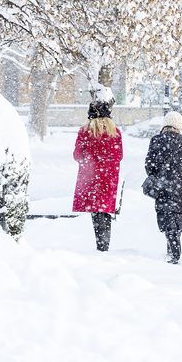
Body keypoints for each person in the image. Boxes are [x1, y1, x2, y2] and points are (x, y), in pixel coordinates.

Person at [144, 111, 182, 264]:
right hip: (180, 187)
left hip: (161, 186)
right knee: (177, 216)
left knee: (166, 216)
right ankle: (174, 247)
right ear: (179, 126)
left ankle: (173, 251)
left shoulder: (156, 141)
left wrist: (157, 175)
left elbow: (149, 165)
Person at [72, 100, 124, 252]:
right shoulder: (115, 132)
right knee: (105, 210)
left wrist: (89, 160)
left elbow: (77, 155)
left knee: (96, 211)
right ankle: (104, 245)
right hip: (108, 178)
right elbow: (119, 155)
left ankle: (100, 244)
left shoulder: (85, 131)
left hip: (91, 177)